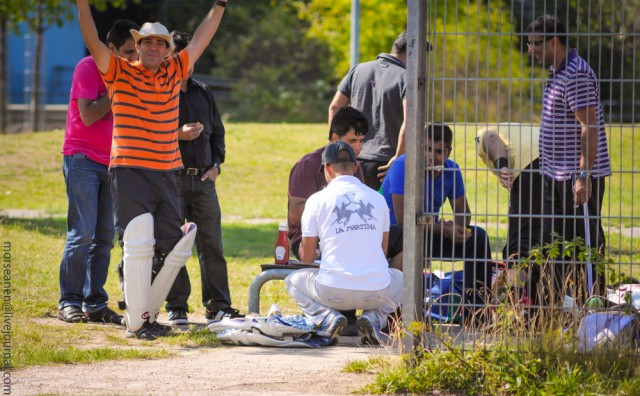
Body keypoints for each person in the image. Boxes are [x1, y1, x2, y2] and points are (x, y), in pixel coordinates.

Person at [76, 0, 231, 340]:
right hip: (130, 170)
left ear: (166, 50)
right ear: (139, 46)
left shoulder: (174, 71)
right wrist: (83, 5)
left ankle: (146, 312)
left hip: (167, 172)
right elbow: (92, 42)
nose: (154, 47)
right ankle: (137, 321)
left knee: (174, 246)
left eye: (161, 43)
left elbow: (202, 39)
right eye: (147, 42)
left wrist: (219, 6)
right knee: (138, 243)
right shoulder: (119, 70)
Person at [57, 20, 139, 325]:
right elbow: (89, 116)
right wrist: (116, 90)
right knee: (82, 234)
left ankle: (95, 303)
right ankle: (69, 301)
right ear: (112, 49)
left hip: (114, 162)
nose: (134, 58)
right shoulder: (88, 68)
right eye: (129, 52)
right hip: (82, 157)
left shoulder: (133, 72)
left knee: (104, 237)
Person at [526, 15, 612, 299]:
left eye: (536, 43)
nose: (531, 50)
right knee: (555, 246)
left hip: (575, 178)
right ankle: (557, 312)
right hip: (555, 174)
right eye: (529, 43)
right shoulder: (557, 71)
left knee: (583, 248)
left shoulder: (576, 73)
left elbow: (589, 126)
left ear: (555, 41)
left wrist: (583, 176)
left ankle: (593, 310)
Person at [285, 141, 403, 345]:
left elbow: (306, 257)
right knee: (402, 279)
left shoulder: (316, 200)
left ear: (326, 169)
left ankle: (327, 317)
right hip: (377, 292)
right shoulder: (377, 198)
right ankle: (373, 318)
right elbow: (382, 252)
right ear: (356, 167)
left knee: (292, 280)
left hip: (332, 291)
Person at [164, 31, 243, 325]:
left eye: (191, 58)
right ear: (171, 59)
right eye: (182, 57)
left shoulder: (204, 92)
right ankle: (177, 307)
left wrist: (217, 166)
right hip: (171, 180)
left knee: (212, 245)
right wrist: (179, 135)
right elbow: (152, 134)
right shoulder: (160, 91)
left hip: (204, 181)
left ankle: (218, 306)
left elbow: (218, 134)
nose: (187, 63)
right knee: (174, 245)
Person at [381, 123, 492, 309]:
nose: (431, 156)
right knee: (409, 234)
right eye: (427, 149)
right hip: (394, 236)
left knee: (478, 237)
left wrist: (456, 228)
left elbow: (463, 215)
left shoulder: (452, 170)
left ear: (449, 152)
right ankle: (395, 308)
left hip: (428, 231)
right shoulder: (403, 165)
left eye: (439, 152)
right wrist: (443, 227)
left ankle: (477, 312)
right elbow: (403, 219)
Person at [328, 31, 431, 190]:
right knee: (383, 213)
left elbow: (335, 107)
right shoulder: (406, 78)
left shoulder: (357, 70)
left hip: (352, 160)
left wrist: (336, 148)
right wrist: (398, 159)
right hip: (385, 164)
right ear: (414, 55)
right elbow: (410, 120)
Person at [476, 123, 544, 304]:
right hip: (559, 161)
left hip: (531, 167)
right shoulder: (522, 131)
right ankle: (541, 301)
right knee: (545, 237)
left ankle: (515, 306)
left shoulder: (482, 133)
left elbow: (491, 139)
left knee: (519, 244)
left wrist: (502, 166)